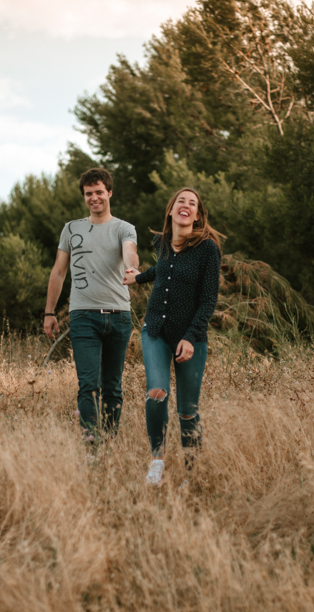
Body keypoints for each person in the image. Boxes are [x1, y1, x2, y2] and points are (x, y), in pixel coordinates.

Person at [123, 187, 223, 485]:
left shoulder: (208, 249)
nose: (186, 205)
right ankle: (157, 461)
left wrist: (191, 337)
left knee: (187, 411)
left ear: (197, 214)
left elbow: (208, 300)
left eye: (192, 203)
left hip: (191, 337)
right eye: (181, 201)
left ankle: (193, 474)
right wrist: (139, 277)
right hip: (155, 330)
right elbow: (165, 269)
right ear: (171, 210)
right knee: (156, 393)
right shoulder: (163, 243)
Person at [44, 167, 139, 445]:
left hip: (119, 316)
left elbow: (129, 251)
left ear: (109, 192)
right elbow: (58, 272)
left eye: (99, 192)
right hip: (83, 317)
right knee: (88, 386)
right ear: (84, 196)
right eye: (89, 194)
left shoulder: (124, 228)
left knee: (112, 387)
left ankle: (110, 442)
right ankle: (92, 444)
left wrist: (133, 268)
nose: (94, 198)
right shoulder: (71, 229)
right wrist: (49, 312)